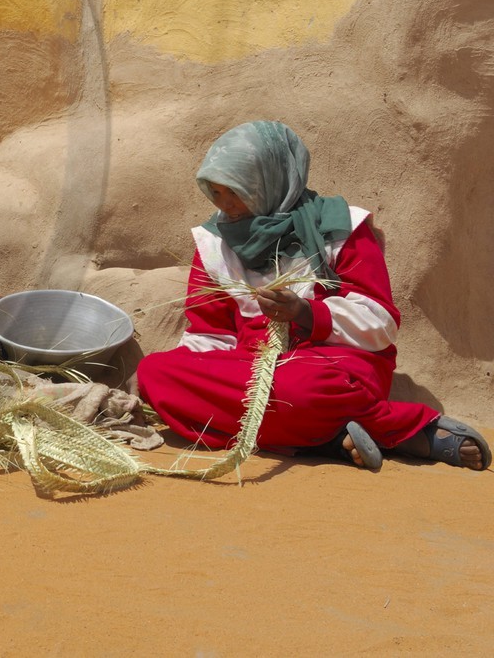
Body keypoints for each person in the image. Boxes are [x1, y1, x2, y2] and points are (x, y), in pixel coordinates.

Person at [136, 121, 488, 472]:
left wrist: (306, 312)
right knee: (155, 374)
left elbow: (381, 326)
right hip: (249, 372)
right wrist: (191, 378)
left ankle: (404, 428)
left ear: (269, 182)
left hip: (332, 365)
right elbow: (208, 335)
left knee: (305, 386)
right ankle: (331, 439)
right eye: (215, 193)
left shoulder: (341, 226)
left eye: (236, 191)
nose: (225, 205)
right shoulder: (213, 242)